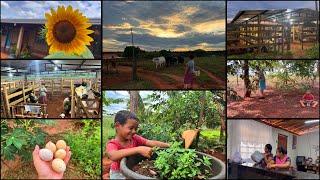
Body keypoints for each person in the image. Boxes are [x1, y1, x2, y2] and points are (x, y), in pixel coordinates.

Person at [106, 110, 170, 179]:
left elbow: (150, 142)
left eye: (135, 129)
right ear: (117, 126)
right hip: (118, 173)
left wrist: (169, 145)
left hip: (132, 170)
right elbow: (113, 155)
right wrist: (138, 149)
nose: (134, 131)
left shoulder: (135, 138)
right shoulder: (113, 143)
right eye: (131, 128)